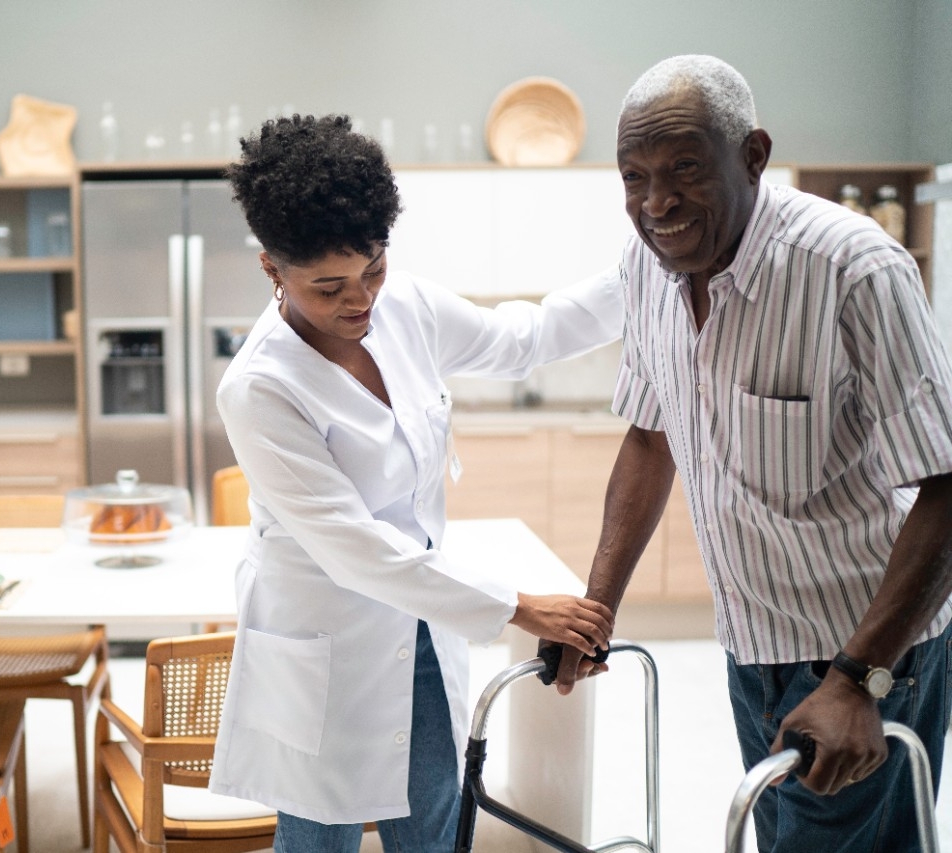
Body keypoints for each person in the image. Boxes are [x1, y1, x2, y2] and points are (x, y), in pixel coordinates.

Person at [554, 55, 952, 852]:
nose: (655, 203)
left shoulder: (850, 269)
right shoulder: (646, 266)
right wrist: (591, 612)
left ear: (753, 156)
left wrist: (856, 679)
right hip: (750, 647)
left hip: (868, 652)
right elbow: (647, 433)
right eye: (633, 177)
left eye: (684, 170)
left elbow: (947, 481)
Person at [207, 113, 621, 853]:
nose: (359, 298)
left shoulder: (408, 309)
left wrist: (643, 271)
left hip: (426, 627)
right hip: (323, 642)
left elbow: (524, 338)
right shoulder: (260, 387)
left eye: (372, 267)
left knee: (433, 825)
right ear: (272, 269)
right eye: (327, 286)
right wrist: (520, 606)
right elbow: (355, 549)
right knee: (318, 836)